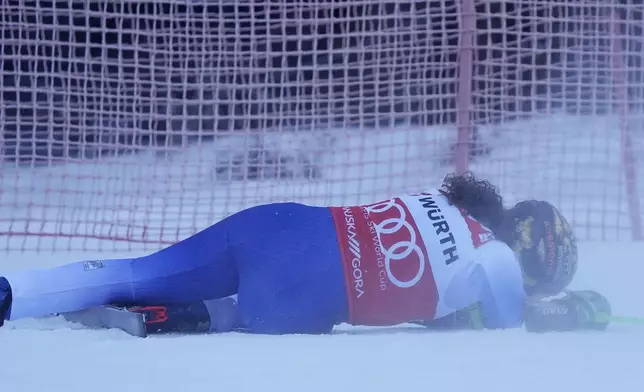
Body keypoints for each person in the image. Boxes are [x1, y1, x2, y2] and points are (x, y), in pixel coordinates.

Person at [0, 172, 611, 335]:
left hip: (275, 225)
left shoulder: (442, 199)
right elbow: (509, 326)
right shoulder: (499, 265)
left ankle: (15, 295)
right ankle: (193, 317)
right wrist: (581, 310)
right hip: (295, 299)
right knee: (253, 313)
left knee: (136, 270)